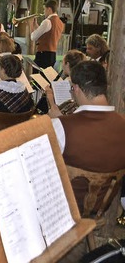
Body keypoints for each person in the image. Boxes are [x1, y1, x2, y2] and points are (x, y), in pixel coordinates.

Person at [50, 61, 125, 214]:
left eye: (72, 88)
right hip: (100, 207)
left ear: (76, 88)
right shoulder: (122, 122)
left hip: (65, 209)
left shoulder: (62, 126)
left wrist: (54, 122)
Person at [45, 50, 86, 117]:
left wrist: (49, 96)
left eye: (63, 62)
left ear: (67, 64)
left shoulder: (66, 83)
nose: (62, 65)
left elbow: (57, 112)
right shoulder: (84, 81)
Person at [30, 0, 64, 69]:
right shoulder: (60, 22)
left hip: (43, 54)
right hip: (52, 54)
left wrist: (30, 24)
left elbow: (33, 37)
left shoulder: (47, 21)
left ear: (49, 9)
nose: (44, 12)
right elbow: (45, 33)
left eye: (44, 9)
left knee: (38, 78)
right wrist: (36, 25)